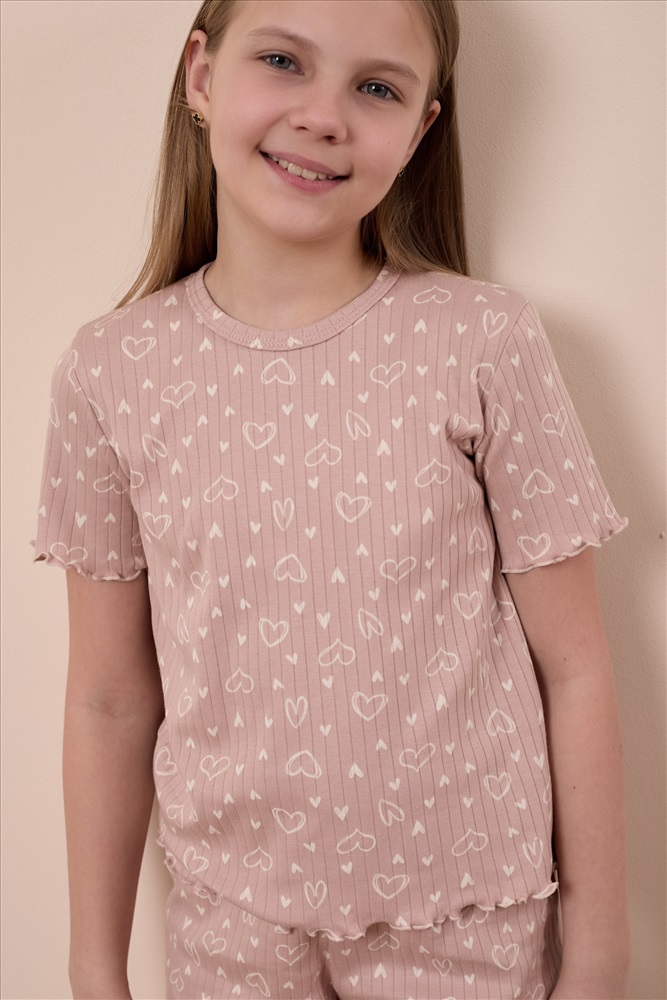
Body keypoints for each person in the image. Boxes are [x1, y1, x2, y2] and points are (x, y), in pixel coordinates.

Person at [31, 1, 632, 998]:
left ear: (422, 126)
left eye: (376, 87)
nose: (322, 115)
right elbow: (108, 699)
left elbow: (572, 667)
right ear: (201, 75)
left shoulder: (482, 341)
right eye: (282, 60)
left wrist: (601, 959)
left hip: (466, 925)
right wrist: (94, 968)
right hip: (230, 937)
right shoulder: (111, 372)